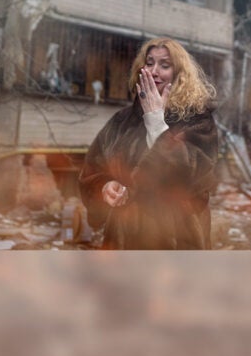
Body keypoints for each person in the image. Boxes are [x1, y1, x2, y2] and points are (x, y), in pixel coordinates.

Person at [79, 38, 220, 249]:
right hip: (124, 239)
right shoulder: (122, 120)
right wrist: (106, 186)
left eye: (165, 65)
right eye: (150, 62)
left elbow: (191, 176)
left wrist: (156, 121)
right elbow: (93, 169)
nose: (154, 71)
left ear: (179, 73)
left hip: (177, 238)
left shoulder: (198, 120)